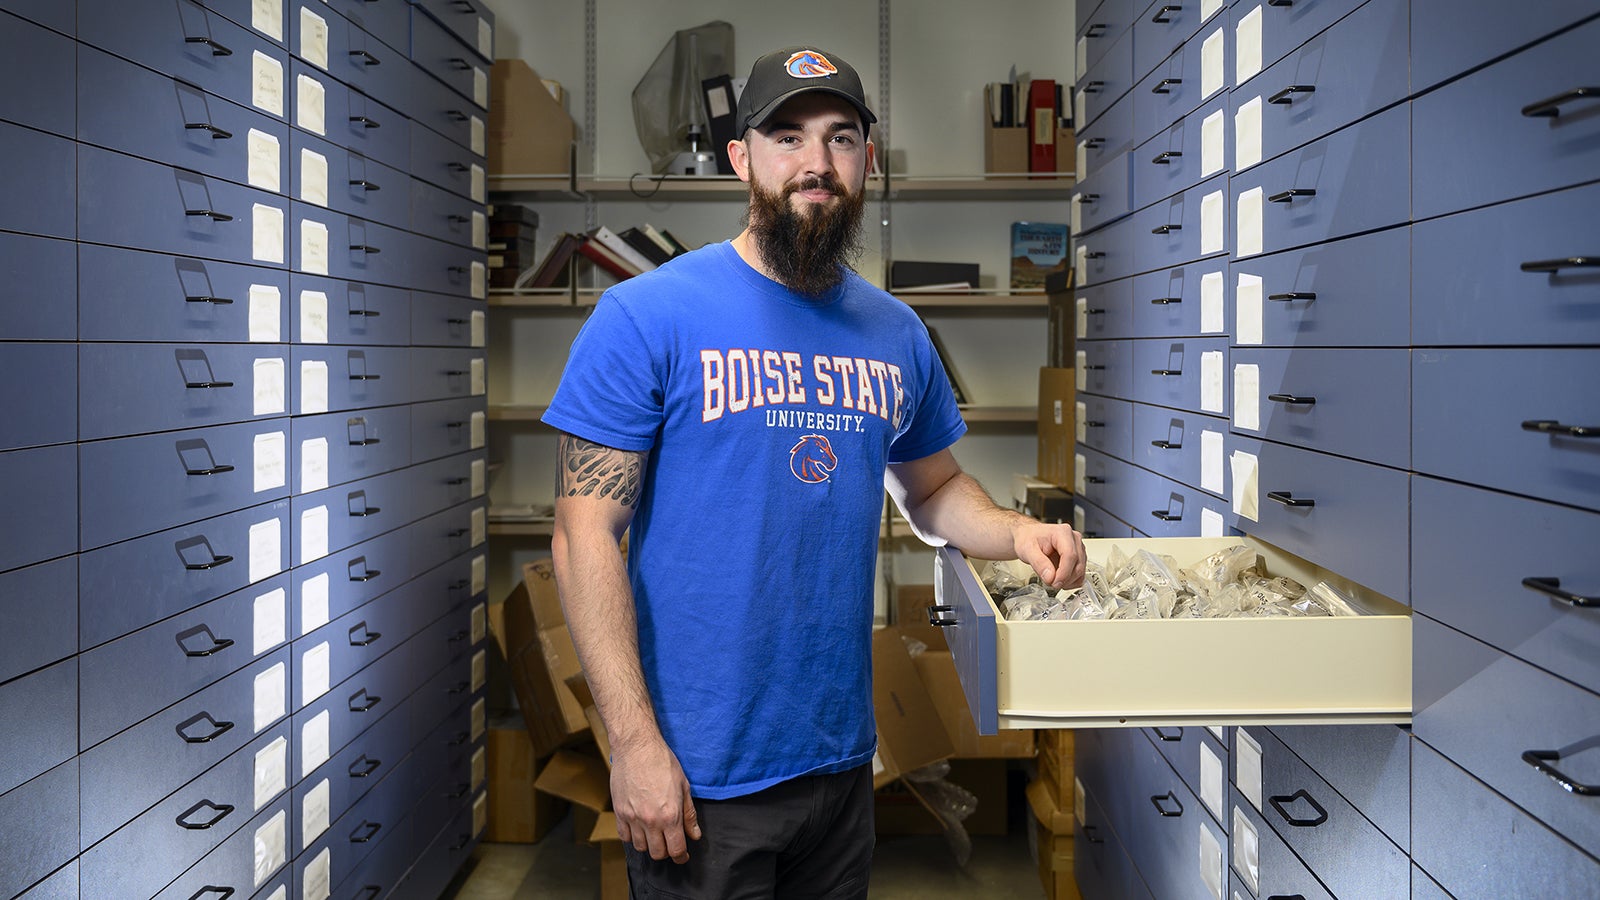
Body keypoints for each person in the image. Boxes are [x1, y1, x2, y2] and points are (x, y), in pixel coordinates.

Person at [542, 44, 1086, 899]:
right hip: (698, 776)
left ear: (866, 161)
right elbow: (583, 537)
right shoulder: (647, 315)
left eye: (840, 139)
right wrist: (634, 743)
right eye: (787, 137)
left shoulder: (896, 333)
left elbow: (935, 489)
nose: (816, 163)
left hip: (838, 766)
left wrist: (1018, 533)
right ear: (741, 159)